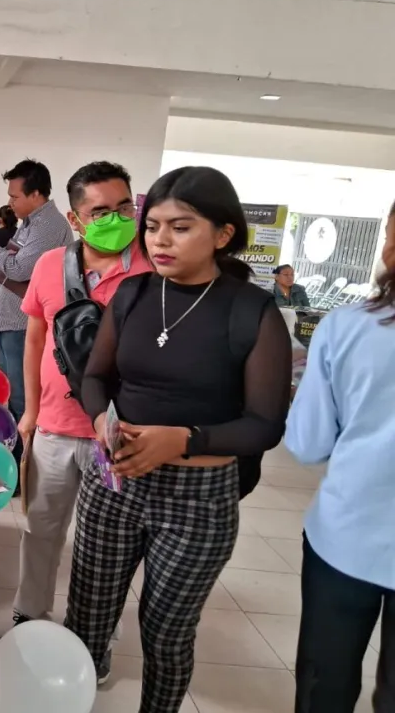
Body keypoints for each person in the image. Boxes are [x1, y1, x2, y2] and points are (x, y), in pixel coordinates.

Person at [65, 166, 292, 709]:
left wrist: (183, 440)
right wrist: (101, 422)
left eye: (180, 227)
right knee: (86, 619)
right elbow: (96, 378)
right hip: (114, 485)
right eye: (153, 226)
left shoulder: (251, 311)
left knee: (167, 633)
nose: (159, 240)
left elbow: (265, 424)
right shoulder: (134, 295)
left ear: (223, 234)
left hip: (199, 501)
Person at [13, 162, 151, 626]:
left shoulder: (154, 272)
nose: (115, 219)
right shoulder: (51, 266)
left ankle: (93, 634)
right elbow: (35, 338)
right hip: (53, 426)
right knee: (41, 530)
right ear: (75, 220)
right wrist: (30, 411)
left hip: (118, 436)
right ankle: (29, 614)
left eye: (123, 207)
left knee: (106, 544)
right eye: (99, 212)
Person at [285, 201, 395, 713]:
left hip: (346, 536)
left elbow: (307, 443)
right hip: (345, 536)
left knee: (324, 685)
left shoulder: (349, 327)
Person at [0, 160, 71, 440]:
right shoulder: (29, 224)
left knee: (21, 399)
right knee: (10, 393)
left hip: (24, 325)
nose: (10, 202)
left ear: (36, 194)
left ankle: (22, 464)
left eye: (15, 196)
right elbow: (11, 264)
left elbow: (17, 268)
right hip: (11, 321)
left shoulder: (49, 225)